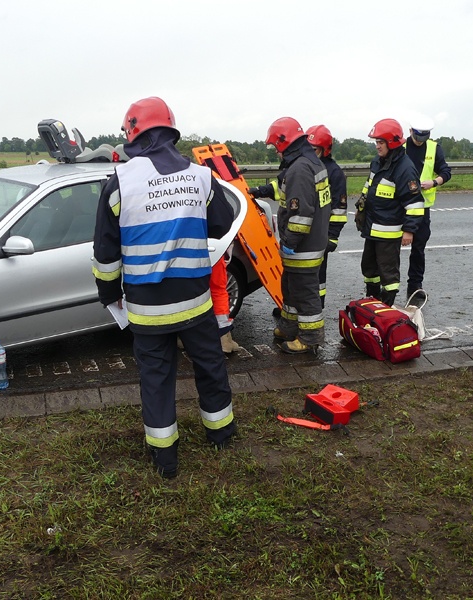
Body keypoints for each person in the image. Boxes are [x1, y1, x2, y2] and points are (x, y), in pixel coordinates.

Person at [92, 97, 236, 478]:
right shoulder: (201, 177)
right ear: (171, 131)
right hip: (196, 303)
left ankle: (165, 458)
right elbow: (221, 226)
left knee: (156, 379)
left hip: (147, 310)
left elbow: (106, 257)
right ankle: (221, 434)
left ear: (132, 133)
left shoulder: (118, 183)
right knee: (210, 367)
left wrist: (109, 296)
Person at [248, 117, 331, 354]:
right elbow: (288, 192)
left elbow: (301, 214)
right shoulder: (309, 163)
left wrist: (290, 243)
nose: (275, 151)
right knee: (291, 288)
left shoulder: (300, 169)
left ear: (284, 142)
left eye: (275, 146)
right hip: (310, 242)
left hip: (303, 245)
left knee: (304, 292)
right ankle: (288, 326)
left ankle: (310, 337)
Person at [354, 118, 423, 306]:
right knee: (368, 269)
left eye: (380, 142)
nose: (377, 146)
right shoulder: (378, 161)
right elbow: (369, 186)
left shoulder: (405, 168)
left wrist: (409, 231)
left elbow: (415, 203)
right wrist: (361, 205)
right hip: (372, 227)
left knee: (388, 274)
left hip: (388, 231)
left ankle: (386, 309)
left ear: (391, 143)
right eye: (376, 142)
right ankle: (372, 302)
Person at [404, 116, 452, 304]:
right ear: (410, 132)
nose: (420, 141)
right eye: (417, 137)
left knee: (418, 248)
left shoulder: (434, 148)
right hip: (401, 206)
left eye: (424, 137)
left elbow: (445, 172)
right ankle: (388, 284)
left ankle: (415, 285)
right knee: (391, 248)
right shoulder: (401, 148)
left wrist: (433, 182)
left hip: (422, 207)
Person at [305, 124, 348, 307]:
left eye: (313, 149)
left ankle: (316, 306)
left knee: (317, 275)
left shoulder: (334, 173)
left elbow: (339, 208)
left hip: (321, 234)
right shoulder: (306, 166)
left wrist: (332, 237)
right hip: (304, 231)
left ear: (325, 149)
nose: (309, 152)